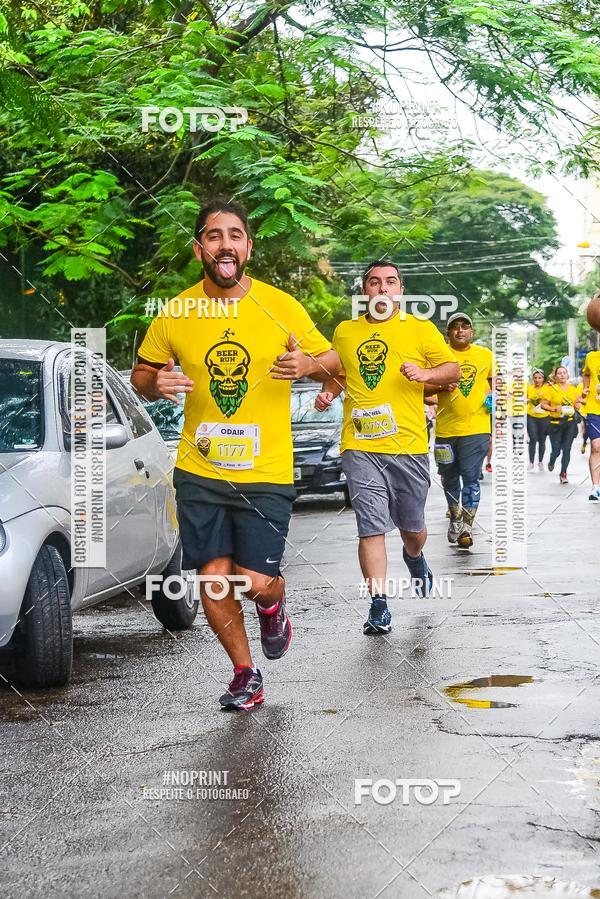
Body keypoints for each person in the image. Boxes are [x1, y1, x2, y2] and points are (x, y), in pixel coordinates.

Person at [131, 199, 339, 710]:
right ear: (199, 248)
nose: (225, 244)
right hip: (199, 467)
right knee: (213, 577)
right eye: (214, 235)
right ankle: (245, 674)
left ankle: (273, 605)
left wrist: (307, 365)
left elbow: (334, 359)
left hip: (265, 471)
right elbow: (141, 373)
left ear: (248, 247)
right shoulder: (177, 311)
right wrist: (155, 383)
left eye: (235, 235)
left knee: (256, 582)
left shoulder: (280, 305)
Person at [314, 262, 459, 635]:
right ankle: (378, 604)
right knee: (370, 526)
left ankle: (414, 556)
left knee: (413, 528)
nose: (382, 288)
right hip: (359, 444)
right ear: (365, 290)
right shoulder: (346, 331)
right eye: (374, 282)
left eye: (390, 282)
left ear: (400, 290)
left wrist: (426, 374)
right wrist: (329, 391)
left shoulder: (420, 328)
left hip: (407, 445)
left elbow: (452, 370)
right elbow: (340, 373)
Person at [428, 313, 493, 550]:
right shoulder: (438, 355)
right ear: (448, 332)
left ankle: (467, 526)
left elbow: (495, 383)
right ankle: (455, 516)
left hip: (476, 428)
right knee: (449, 476)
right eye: (455, 327)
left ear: (471, 332)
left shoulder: (485, 355)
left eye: (465, 326)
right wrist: (440, 385)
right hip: (445, 431)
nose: (460, 330)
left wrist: (493, 400)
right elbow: (420, 388)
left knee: (471, 476)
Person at [540, 366, 579, 485]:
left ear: (567, 375)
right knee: (556, 450)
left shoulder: (573, 389)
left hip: (569, 422)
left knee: (567, 449)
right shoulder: (551, 389)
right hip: (555, 423)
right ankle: (552, 461)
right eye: (560, 373)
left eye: (564, 373)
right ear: (555, 376)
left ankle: (563, 473)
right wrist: (554, 408)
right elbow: (543, 405)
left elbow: (576, 403)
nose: (562, 375)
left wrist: (577, 405)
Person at [580, 347, 600, 500]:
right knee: (596, 446)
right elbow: (587, 374)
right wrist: (586, 388)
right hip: (594, 408)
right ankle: (596, 488)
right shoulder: (591, 357)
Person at [527, 368, 550, 471]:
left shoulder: (548, 388)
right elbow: (525, 398)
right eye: (535, 378)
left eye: (539, 378)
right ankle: (531, 462)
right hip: (531, 416)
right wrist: (526, 400)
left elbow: (549, 401)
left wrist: (541, 399)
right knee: (533, 439)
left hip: (544, 416)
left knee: (542, 440)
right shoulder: (529, 388)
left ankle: (540, 461)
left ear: (543, 378)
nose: (537, 380)